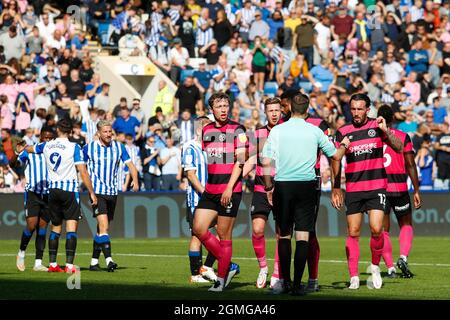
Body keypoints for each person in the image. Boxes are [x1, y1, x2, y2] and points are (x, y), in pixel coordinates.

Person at [261, 93, 349, 295]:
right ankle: (299, 285)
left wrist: (269, 188)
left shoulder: (278, 130)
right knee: (303, 236)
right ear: (307, 110)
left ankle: (286, 282)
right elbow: (335, 155)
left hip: (283, 185)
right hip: (307, 186)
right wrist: (344, 145)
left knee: (283, 235)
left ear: (290, 108)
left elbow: (266, 162)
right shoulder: (315, 131)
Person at [331, 93, 404, 290]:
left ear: (367, 109)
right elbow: (335, 160)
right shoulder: (342, 131)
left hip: (376, 187)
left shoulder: (377, 126)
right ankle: (354, 276)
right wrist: (336, 187)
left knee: (376, 229)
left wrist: (386, 131)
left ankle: (374, 266)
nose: (355, 113)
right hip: (354, 189)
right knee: (353, 232)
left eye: (359, 109)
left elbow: (399, 148)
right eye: (353, 109)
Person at [16, 119, 98, 273]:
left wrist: (23, 147)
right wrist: (92, 192)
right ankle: (68, 266)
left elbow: (30, 149)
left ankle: (53, 264)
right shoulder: (74, 147)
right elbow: (83, 171)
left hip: (52, 191)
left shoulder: (47, 145)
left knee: (55, 228)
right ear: (71, 132)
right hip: (69, 190)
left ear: (58, 130)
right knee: (71, 227)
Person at [192, 92, 248, 292]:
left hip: (229, 190)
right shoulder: (207, 131)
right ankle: (229, 264)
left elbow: (240, 161)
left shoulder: (238, 129)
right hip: (211, 190)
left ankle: (221, 280)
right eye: (219, 106)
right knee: (198, 228)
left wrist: (229, 188)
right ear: (212, 110)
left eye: (226, 105)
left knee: (224, 235)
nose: (223, 109)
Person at [83, 120, 139, 272]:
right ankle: (109, 260)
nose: (108, 134)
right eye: (105, 132)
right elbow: (81, 168)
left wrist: (135, 181)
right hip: (97, 192)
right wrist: (87, 189)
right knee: (104, 226)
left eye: (110, 132)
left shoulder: (119, 147)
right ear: (98, 133)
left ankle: (94, 262)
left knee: (101, 230)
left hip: (112, 193)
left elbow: (131, 166)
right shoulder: (90, 148)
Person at [377, 105, 422, 279]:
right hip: (399, 187)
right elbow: (411, 164)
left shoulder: (373, 137)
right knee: (406, 224)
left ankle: (390, 268)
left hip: (379, 187)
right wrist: (416, 190)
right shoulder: (403, 136)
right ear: (393, 120)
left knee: (382, 230)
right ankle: (403, 257)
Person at [242, 97, 282, 290]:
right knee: (257, 229)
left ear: (281, 111)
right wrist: (235, 178)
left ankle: (277, 273)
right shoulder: (257, 134)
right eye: (271, 110)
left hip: (282, 188)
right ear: (265, 113)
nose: (274, 113)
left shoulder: (287, 132)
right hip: (260, 189)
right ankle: (263, 267)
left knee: (281, 234)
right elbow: (250, 159)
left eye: (277, 110)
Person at [182, 116, 218, 283]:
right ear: (199, 129)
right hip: (198, 200)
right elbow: (190, 174)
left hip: (213, 199)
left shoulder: (211, 148)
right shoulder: (190, 147)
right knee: (197, 236)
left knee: (223, 235)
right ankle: (195, 274)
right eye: (207, 127)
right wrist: (205, 193)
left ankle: (207, 267)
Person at [16, 127, 55, 272]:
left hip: (48, 194)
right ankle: (21, 253)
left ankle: (38, 263)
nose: (47, 140)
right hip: (33, 193)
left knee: (43, 228)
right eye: (45, 137)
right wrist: (17, 152)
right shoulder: (31, 152)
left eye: (50, 137)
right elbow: (15, 163)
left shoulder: (55, 154)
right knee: (31, 226)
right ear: (40, 138)